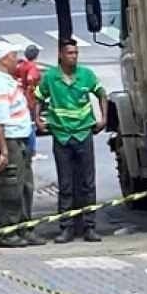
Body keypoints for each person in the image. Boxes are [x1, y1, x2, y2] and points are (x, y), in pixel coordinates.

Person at [35, 38, 107, 243]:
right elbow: (39, 98)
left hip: (84, 133)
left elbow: (102, 94)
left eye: (75, 53)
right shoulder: (50, 77)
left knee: (88, 183)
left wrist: (103, 118)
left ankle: (89, 227)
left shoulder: (86, 75)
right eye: (69, 53)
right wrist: (38, 120)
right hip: (61, 135)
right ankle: (66, 227)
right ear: (60, 55)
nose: (73, 57)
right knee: (65, 185)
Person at [0, 41, 43, 248]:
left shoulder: (8, 81)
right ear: (2, 59)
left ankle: (24, 228)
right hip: (8, 140)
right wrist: (3, 151)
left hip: (20, 137)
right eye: (13, 56)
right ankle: (8, 232)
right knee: (11, 187)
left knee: (25, 186)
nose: (16, 60)